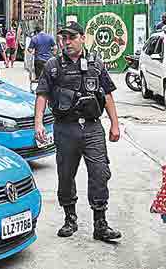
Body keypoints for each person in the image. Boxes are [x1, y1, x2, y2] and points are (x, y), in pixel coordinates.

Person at [34, 21, 122, 242]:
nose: (67, 42)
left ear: (83, 38)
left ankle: (100, 224)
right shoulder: (53, 65)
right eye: (64, 38)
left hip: (92, 127)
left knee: (100, 173)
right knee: (65, 175)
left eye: (72, 37)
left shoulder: (96, 64)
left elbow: (108, 94)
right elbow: (42, 95)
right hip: (65, 128)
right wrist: (38, 125)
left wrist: (115, 123)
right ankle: (69, 218)